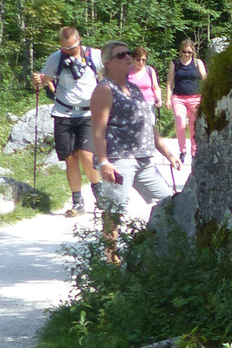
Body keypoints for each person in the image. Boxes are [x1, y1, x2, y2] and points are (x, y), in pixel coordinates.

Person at [90, 41, 181, 257]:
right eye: (122, 55)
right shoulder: (104, 89)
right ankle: (110, 257)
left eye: (129, 53)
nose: (128, 57)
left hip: (143, 159)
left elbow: (148, 125)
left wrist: (167, 153)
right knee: (115, 210)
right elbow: (98, 131)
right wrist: (103, 162)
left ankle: (165, 251)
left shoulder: (133, 88)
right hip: (119, 159)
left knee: (168, 202)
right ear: (108, 62)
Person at [32, 25, 105, 218]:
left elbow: (109, 74)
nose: (69, 52)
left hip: (89, 114)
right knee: (70, 159)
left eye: (72, 48)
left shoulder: (94, 55)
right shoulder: (56, 58)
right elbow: (43, 79)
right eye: (65, 49)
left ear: (79, 40)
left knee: (87, 157)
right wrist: (37, 80)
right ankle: (77, 201)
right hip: (63, 114)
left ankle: (100, 195)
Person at [166, 39, 207, 158]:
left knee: (194, 125)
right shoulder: (175, 63)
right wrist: (168, 98)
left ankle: (194, 151)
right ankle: (182, 150)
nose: (187, 54)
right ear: (181, 51)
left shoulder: (197, 63)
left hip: (195, 97)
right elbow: (170, 82)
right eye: (184, 52)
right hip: (178, 97)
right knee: (180, 124)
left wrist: (206, 95)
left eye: (189, 52)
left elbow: (205, 80)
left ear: (193, 52)